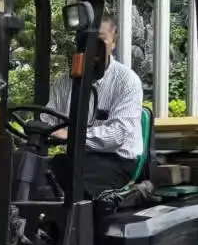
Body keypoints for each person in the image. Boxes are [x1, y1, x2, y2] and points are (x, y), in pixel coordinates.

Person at [47, 13, 146, 196]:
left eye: (99, 39)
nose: (91, 46)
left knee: (68, 181)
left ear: (113, 43)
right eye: (85, 39)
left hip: (116, 160)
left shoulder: (127, 81)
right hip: (77, 157)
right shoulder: (65, 82)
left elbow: (117, 135)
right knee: (36, 171)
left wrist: (72, 136)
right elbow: (48, 120)